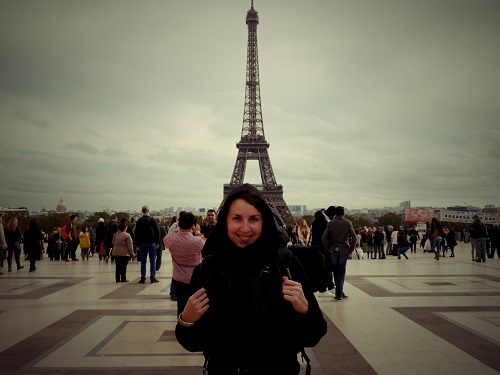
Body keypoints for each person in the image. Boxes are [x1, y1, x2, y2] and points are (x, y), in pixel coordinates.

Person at [175, 184, 327, 374]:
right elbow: (192, 342)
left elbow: (313, 336)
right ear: (225, 222)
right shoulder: (207, 270)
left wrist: (305, 311)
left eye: (254, 219)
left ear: (265, 221)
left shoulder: (287, 265)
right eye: (237, 218)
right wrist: (187, 321)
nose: (245, 228)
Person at [163, 212, 205, 315]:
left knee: (181, 305)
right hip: (194, 277)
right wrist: (198, 232)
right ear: (192, 225)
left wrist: (178, 229)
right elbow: (205, 245)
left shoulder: (171, 239)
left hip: (179, 277)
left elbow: (167, 237)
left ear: (179, 224)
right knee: (196, 305)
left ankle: (182, 325)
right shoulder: (197, 241)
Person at [322, 205, 356, 301]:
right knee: (340, 272)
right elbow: (354, 237)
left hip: (333, 250)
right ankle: (339, 293)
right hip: (343, 250)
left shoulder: (331, 223)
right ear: (343, 213)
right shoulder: (347, 223)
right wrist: (351, 249)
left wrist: (329, 248)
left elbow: (324, 237)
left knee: (334, 271)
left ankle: (338, 293)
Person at [310, 209, 335, 295]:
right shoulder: (323, 222)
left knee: (322, 268)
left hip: (317, 247)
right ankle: (326, 287)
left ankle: (322, 288)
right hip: (323, 248)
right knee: (325, 268)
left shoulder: (316, 221)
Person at [135, 205, 160, 284]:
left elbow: (137, 233)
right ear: (148, 210)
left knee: (143, 261)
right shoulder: (153, 220)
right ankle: (153, 277)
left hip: (142, 243)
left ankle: (143, 278)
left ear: (142, 211)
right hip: (152, 242)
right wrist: (157, 242)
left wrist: (137, 243)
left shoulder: (139, 221)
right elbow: (157, 231)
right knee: (153, 261)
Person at [112, 219, 135, 283]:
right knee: (123, 266)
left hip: (116, 252)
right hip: (124, 253)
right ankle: (123, 278)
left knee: (118, 266)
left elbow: (113, 242)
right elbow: (130, 245)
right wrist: (131, 253)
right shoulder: (127, 235)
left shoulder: (115, 234)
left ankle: (117, 278)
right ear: (125, 228)